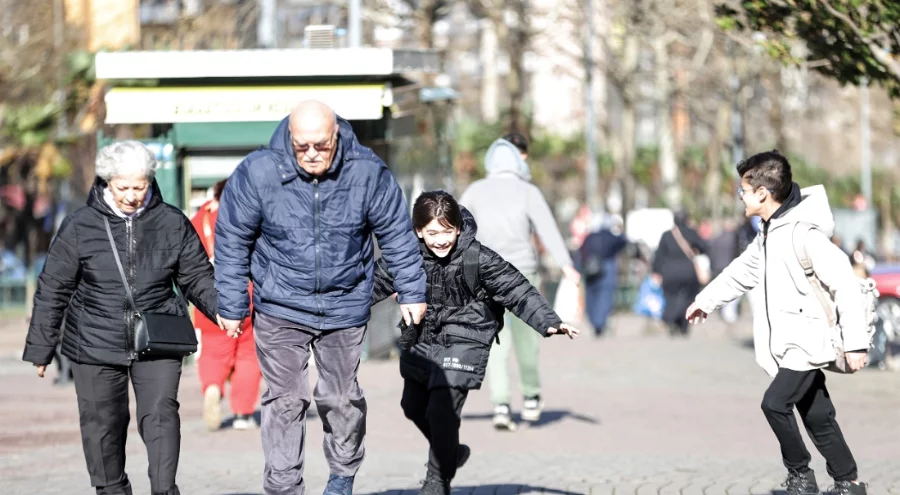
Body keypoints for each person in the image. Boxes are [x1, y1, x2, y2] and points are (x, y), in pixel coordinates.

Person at [215, 100, 427, 495]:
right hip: (279, 303)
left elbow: (397, 235)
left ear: (336, 136)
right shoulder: (258, 172)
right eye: (302, 146)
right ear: (289, 138)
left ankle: (341, 476)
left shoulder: (366, 172)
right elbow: (232, 240)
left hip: (344, 302)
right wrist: (230, 303)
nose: (311, 155)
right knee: (284, 400)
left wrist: (412, 290)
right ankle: (283, 486)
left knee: (341, 398)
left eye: (321, 146)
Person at [23, 141, 220, 495]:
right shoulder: (79, 226)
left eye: (139, 186)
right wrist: (41, 348)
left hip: (158, 336)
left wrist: (223, 310)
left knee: (161, 413)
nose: (132, 195)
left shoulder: (171, 221)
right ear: (106, 182)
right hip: (95, 340)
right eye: (123, 187)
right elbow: (53, 287)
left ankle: (164, 489)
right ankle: (112, 489)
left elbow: (197, 276)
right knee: (103, 424)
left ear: (150, 181)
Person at [685, 150, 869, 495]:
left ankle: (801, 477)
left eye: (743, 190)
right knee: (817, 416)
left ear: (762, 193)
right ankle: (849, 483)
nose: (740, 196)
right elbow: (741, 271)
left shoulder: (803, 233)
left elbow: (845, 281)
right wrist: (705, 301)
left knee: (774, 403)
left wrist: (855, 343)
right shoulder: (769, 233)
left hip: (806, 342)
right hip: (790, 344)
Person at [371, 191, 580, 494]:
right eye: (432, 233)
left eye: (447, 231)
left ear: (458, 228)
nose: (441, 240)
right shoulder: (405, 256)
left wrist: (549, 321)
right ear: (418, 231)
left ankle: (437, 480)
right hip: (422, 336)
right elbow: (372, 284)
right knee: (412, 406)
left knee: (442, 413)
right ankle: (451, 453)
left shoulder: (478, 257)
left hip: (466, 338)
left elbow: (516, 289)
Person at [459, 132, 580, 431]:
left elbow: (456, 228)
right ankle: (531, 396)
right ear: (517, 161)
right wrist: (566, 265)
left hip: (485, 275)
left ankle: (500, 405)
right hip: (522, 274)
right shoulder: (528, 191)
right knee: (528, 338)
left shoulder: (474, 190)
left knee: (496, 340)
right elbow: (548, 230)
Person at [190, 178, 262, 431]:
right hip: (248, 295)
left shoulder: (200, 220)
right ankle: (243, 413)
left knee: (213, 351)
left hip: (210, 297)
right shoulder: (250, 217)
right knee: (248, 355)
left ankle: (212, 387)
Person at [651, 212, 709, 337]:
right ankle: (683, 324)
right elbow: (704, 247)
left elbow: (659, 255)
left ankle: (671, 319)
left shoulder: (666, 236)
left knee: (670, 297)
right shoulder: (691, 233)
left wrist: (656, 271)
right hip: (688, 271)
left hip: (669, 272)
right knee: (687, 298)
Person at [580, 213, 628, 337]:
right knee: (604, 297)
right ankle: (599, 323)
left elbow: (580, 253)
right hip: (607, 269)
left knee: (592, 297)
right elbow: (623, 241)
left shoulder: (589, 237)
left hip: (590, 270)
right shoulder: (610, 236)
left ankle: (595, 322)